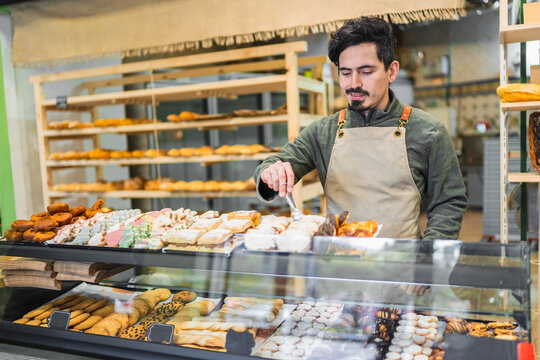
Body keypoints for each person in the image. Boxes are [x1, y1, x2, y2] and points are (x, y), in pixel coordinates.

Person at [254, 17, 468, 240]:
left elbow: (449, 201)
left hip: (403, 266)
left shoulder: (427, 131)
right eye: (345, 73)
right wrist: (271, 172)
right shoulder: (323, 133)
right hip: (339, 266)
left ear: (391, 71)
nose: (354, 83)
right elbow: (270, 165)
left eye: (366, 72)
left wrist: (429, 255)